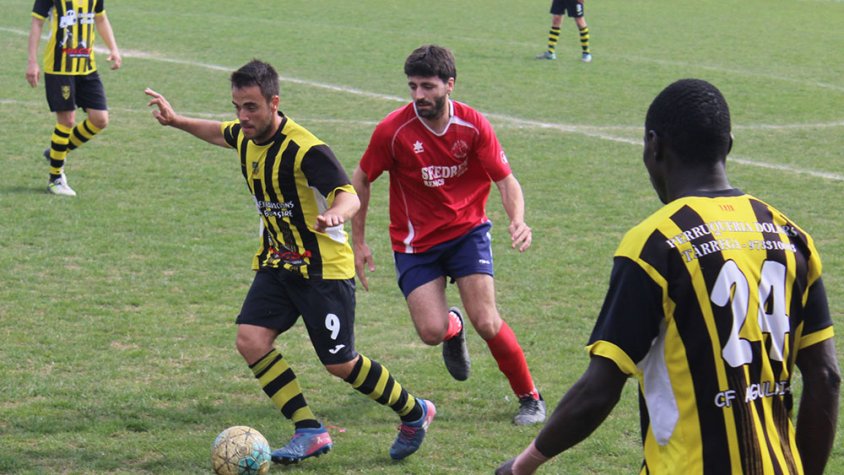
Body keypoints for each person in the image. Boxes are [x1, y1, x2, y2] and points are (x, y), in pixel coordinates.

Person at [496, 79, 840, 474]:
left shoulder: (655, 244)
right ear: (727, 145)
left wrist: (523, 464)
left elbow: (600, 389)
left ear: (654, 146)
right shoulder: (790, 236)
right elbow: (826, 376)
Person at [145, 60, 435, 464]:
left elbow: (347, 192)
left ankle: (415, 411)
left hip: (323, 271)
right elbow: (218, 132)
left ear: (274, 102)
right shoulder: (246, 135)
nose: (242, 116)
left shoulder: (306, 149)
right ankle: (309, 429)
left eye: (251, 107)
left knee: (340, 363)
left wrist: (338, 213)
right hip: (278, 264)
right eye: (237, 107)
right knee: (250, 340)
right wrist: (176, 121)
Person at [351, 44, 546, 426]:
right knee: (430, 332)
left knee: (487, 321)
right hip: (415, 244)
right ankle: (451, 327)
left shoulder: (473, 126)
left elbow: (506, 181)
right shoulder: (393, 131)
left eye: (427, 86)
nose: (419, 95)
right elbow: (361, 179)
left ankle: (530, 397)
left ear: (449, 85)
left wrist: (517, 220)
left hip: (466, 233)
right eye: (413, 87)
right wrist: (358, 241)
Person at [26, 0, 122, 197]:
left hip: (87, 66)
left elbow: (100, 18)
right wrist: (32, 61)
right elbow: (37, 23)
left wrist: (114, 48)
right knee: (67, 121)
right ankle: (55, 179)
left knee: (100, 119)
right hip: (59, 67)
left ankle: (55, 153)